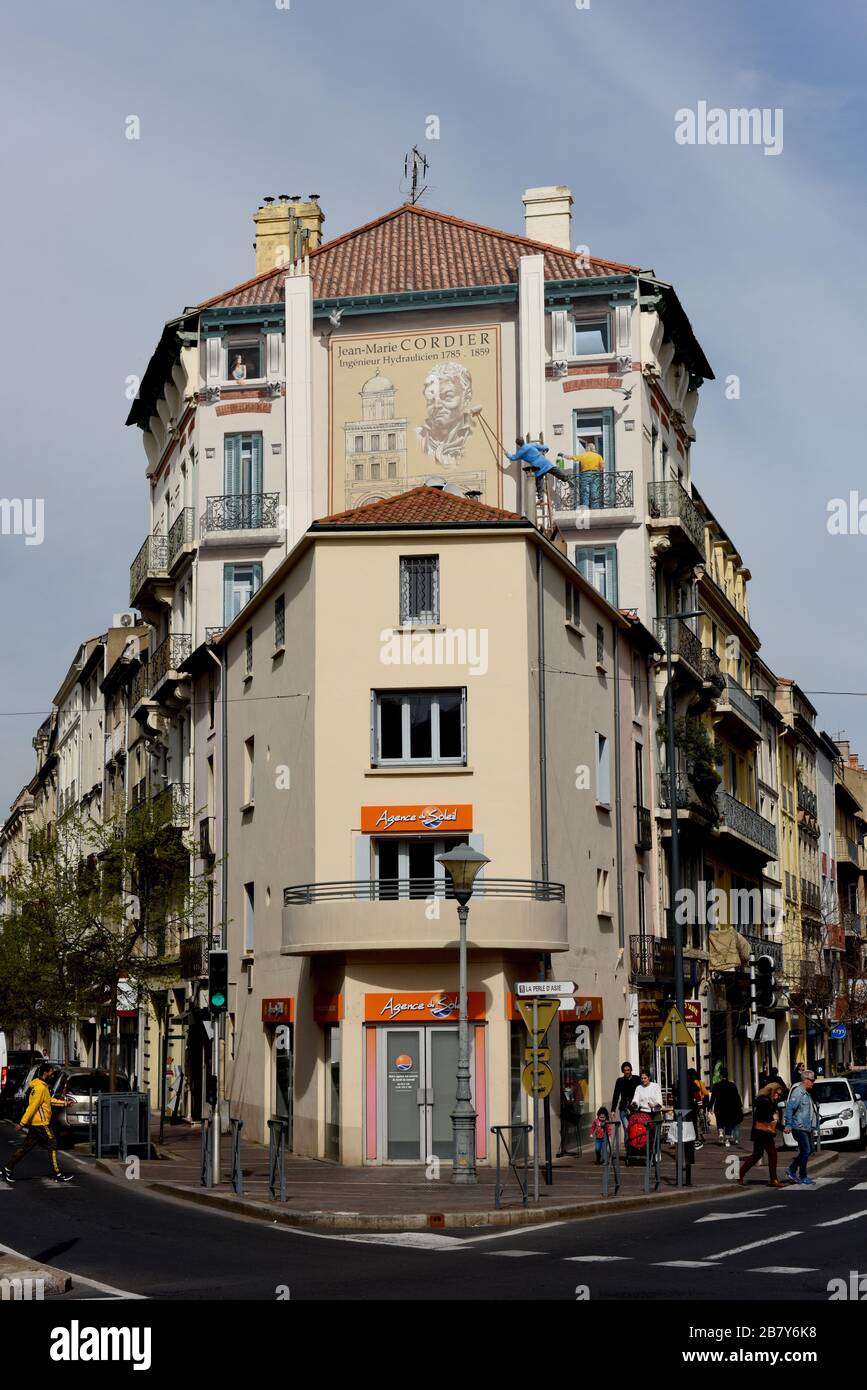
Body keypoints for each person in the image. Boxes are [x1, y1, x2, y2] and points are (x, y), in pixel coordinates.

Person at [2, 1063, 73, 1184]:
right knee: (52, 1142)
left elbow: (49, 1101)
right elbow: (32, 1107)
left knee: (25, 1147)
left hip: (37, 1123)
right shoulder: (40, 1088)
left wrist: (65, 1103)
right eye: (51, 1071)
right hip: (41, 1123)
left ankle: (7, 1168)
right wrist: (22, 1123)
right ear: (45, 1072)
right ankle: (57, 1173)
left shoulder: (41, 1086)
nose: (52, 1074)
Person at [738, 1082, 785, 1188]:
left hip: (760, 1132)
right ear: (772, 1091)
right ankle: (774, 1179)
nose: (778, 1096)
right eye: (777, 1093)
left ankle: (740, 1174)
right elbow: (767, 1118)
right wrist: (782, 1127)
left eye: (780, 1095)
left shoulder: (765, 1101)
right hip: (763, 1132)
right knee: (772, 1154)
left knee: (757, 1155)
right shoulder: (765, 1101)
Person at [784, 1069, 819, 1185]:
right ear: (805, 1080)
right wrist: (788, 1124)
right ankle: (802, 1176)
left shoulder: (806, 1093)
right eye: (811, 1080)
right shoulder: (798, 1092)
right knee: (806, 1151)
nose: (813, 1083)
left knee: (808, 1151)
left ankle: (792, 1169)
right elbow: (789, 1108)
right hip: (799, 1127)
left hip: (806, 1127)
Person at [507, 436, 572, 500]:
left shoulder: (520, 452)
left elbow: (513, 458)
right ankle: (566, 479)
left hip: (537, 466)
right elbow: (546, 447)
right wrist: (544, 452)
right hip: (544, 462)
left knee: (539, 480)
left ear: (518, 444)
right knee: (555, 471)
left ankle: (540, 495)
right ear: (523, 441)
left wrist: (507, 454)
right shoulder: (532, 445)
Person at [557, 438, 605, 508]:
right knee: (595, 492)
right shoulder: (598, 456)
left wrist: (563, 455)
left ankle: (585, 508)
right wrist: (598, 470)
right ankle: (595, 508)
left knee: (585, 492)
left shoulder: (583, 455)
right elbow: (603, 466)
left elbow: (571, 457)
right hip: (595, 474)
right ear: (593, 448)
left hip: (585, 474)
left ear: (587, 448)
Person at [710, 1068, 744, 1147]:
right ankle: (727, 1141)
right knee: (728, 1123)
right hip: (730, 1108)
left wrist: (710, 1106)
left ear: (721, 1076)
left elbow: (713, 1097)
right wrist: (739, 1106)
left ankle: (721, 1133)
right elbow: (737, 1097)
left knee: (720, 1121)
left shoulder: (716, 1085)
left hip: (719, 1107)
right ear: (727, 1076)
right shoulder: (732, 1085)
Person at [611, 1061, 640, 1143]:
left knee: (635, 1129)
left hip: (635, 1109)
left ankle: (635, 1149)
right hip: (623, 1109)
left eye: (628, 1070)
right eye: (625, 1070)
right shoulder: (619, 1081)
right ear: (622, 1071)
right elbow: (616, 1095)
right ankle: (628, 1151)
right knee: (627, 1130)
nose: (627, 1072)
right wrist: (613, 1110)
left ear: (631, 1070)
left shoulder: (637, 1079)